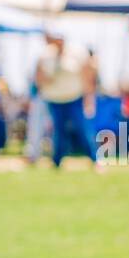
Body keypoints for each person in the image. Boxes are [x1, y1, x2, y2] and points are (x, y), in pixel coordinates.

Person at [34, 31, 94, 169]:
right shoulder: (44, 55)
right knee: (58, 132)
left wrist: (88, 99)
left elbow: (87, 76)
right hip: (54, 99)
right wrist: (46, 79)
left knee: (83, 129)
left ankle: (95, 159)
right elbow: (38, 78)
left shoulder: (77, 52)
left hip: (75, 98)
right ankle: (57, 161)